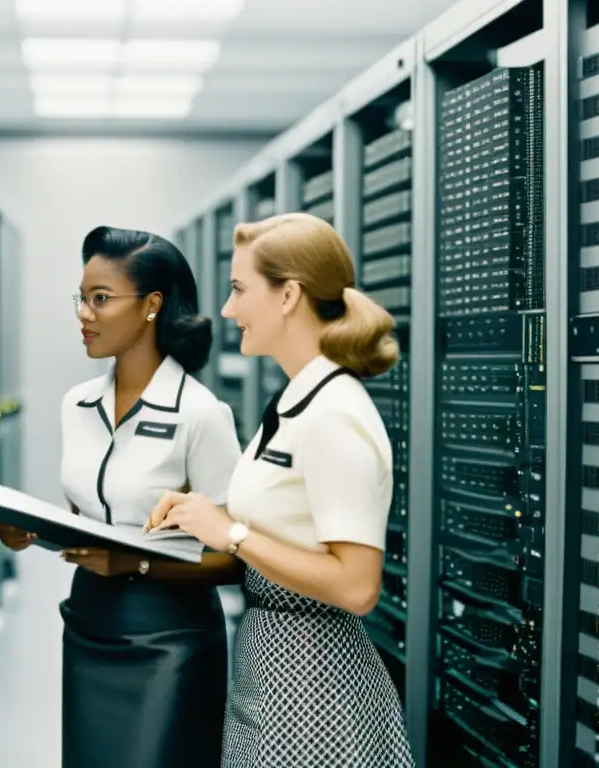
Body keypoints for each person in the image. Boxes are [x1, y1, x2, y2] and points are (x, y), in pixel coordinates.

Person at [148, 212, 415, 767]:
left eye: (240, 289)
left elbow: (358, 585)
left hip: (315, 691)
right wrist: (203, 514)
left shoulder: (335, 416)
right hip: (273, 669)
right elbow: (285, 520)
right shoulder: (300, 400)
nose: (227, 309)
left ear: (289, 294)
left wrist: (232, 533)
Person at [0, 225, 244, 768]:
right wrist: (32, 529)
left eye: (101, 299)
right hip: (88, 623)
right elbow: (96, 514)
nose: (83, 313)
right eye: (81, 298)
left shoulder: (200, 414)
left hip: (168, 640)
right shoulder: (77, 404)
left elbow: (234, 558)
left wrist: (135, 563)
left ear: (152, 305)